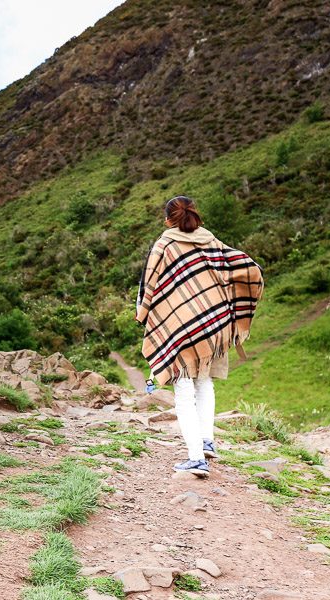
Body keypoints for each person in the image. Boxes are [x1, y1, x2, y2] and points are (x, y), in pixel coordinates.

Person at [136, 196, 263, 478]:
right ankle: (207, 442)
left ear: (169, 218)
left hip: (181, 325)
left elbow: (150, 284)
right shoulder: (211, 241)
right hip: (213, 324)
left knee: (183, 389)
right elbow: (246, 267)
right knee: (204, 381)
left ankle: (196, 459)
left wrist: (144, 313)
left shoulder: (165, 244)